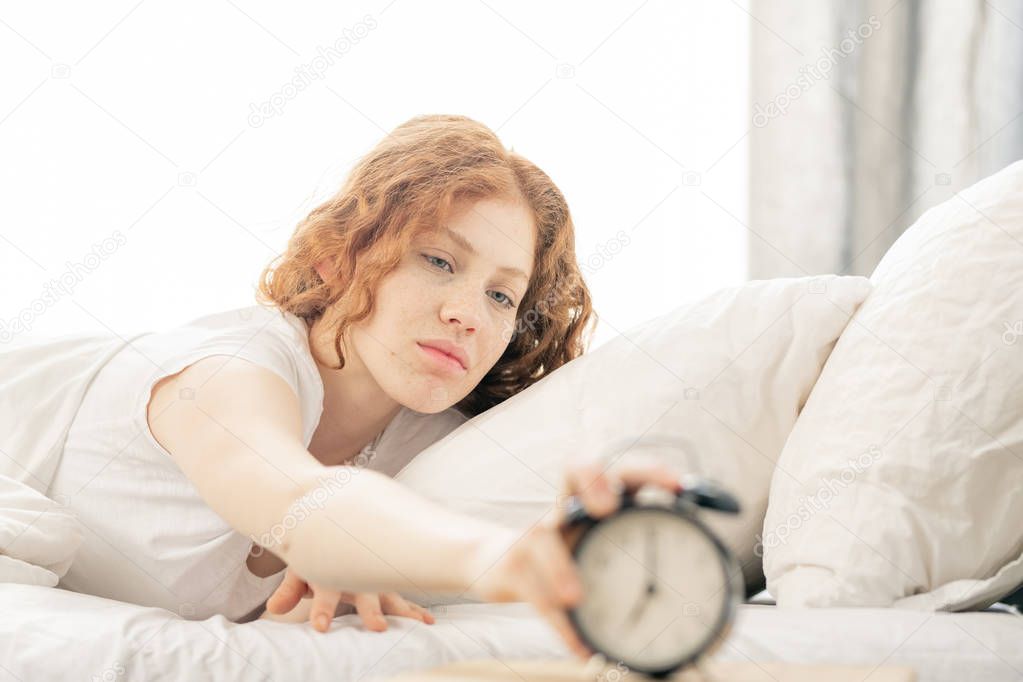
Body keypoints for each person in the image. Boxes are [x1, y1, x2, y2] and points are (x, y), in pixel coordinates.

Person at [42, 114, 684, 661]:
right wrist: (497, 557)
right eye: (439, 261)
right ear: (336, 256)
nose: (470, 314)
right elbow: (298, 500)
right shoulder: (222, 374)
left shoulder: (442, 436)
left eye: (501, 294)